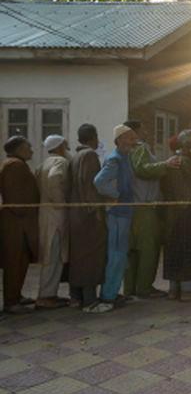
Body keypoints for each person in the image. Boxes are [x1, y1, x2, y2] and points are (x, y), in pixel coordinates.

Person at [124, 120, 177, 299]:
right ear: (135, 132)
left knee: (132, 250)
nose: (145, 132)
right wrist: (166, 165)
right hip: (145, 206)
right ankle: (144, 287)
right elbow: (142, 169)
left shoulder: (125, 150)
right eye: (142, 129)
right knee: (148, 249)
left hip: (132, 205)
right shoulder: (140, 147)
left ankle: (130, 288)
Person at [91, 124, 138, 313]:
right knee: (116, 255)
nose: (133, 141)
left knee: (120, 254)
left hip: (125, 212)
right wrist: (115, 194)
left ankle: (113, 292)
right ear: (119, 140)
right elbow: (99, 182)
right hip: (117, 214)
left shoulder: (125, 158)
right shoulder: (115, 159)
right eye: (130, 138)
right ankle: (108, 296)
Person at [161, 130, 191, 301]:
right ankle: (188, 291)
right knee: (189, 248)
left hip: (172, 214)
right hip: (188, 215)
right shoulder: (188, 162)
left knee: (174, 249)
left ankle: (174, 290)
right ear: (190, 146)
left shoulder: (171, 162)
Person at [68, 124, 107, 309]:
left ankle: (76, 297)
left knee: (78, 256)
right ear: (94, 137)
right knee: (91, 256)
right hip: (88, 215)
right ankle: (90, 299)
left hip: (75, 215)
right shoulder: (90, 155)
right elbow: (91, 186)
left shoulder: (74, 156)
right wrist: (97, 212)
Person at [0, 136, 40, 314]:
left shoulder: (16, 164)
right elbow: (15, 198)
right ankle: (10, 301)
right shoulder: (14, 166)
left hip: (20, 222)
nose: (31, 149)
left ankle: (17, 295)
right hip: (16, 224)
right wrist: (26, 213)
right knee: (14, 262)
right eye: (28, 146)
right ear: (17, 149)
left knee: (22, 260)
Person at [35, 135, 71, 309]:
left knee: (50, 255)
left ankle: (49, 294)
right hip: (56, 215)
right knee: (54, 256)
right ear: (60, 146)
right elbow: (54, 178)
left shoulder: (44, 163)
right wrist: (61, 202)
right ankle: (46, 296)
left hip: (44, 214)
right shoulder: (60, 162)